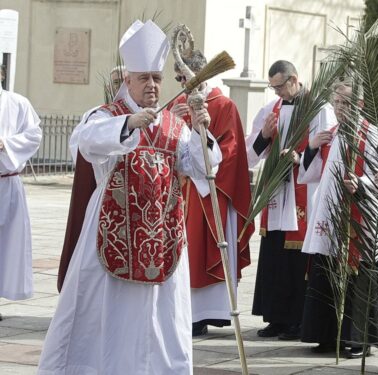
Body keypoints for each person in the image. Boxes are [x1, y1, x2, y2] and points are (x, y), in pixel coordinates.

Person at [38, 20, 221, 374]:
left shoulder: (173, 124)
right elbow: (87, 142)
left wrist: (202, 129)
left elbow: (204, 167)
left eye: (156, 78)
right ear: (128, 81)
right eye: (144, 79)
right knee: (104, 313)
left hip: (163, 238)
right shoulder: (106, 116)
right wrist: (129, 124)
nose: (152, 85)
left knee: (162, 317)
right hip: (110, 237)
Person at [246, 60, 337, 340]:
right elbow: (251, 151)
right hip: (278, 190)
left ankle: (298, 319)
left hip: (304, 191)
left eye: (280, 87)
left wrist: (300, 157)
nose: (277, 94)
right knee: (275, 254)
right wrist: (264, 135)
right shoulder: (271, 109)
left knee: (298, 258)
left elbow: (330, 150)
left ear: (294, 79)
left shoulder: (320, 108)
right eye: (272, 88)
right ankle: (277, 317)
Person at [297, 79, 378, 356]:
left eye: (345, 103)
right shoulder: (331, 133)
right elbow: (310, 175)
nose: (339, 108)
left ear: (359, 104)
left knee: (358, 277)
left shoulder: (370, 134)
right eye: (336, 102)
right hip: (328, 218)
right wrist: (311, 148)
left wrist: (362, 184)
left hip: (359, 215)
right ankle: (326, 335)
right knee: (326, 272)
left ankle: (360, 340)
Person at [170, 48, 253, 337]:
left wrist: (202, 166)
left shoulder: (223, 105)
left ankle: (205, 314)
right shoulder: (178, 103)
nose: (182, 84)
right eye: (179, 78)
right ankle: (184, 311)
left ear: (201, 76)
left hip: (210, 191)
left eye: (185, 78)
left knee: (201, 248)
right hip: (181, 190)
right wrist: (172, 118)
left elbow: (231, 152)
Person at [58, 66, 128, 292]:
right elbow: (81, 146)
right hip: (104, 188)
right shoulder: (99, 114)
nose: (119, 86)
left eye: (124, 81)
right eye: (115, 81)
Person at [0, 63, 42, 308]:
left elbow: (34, 135)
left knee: (6, 245)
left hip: (8, 183)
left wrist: (6, 144)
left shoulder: (18, 103)